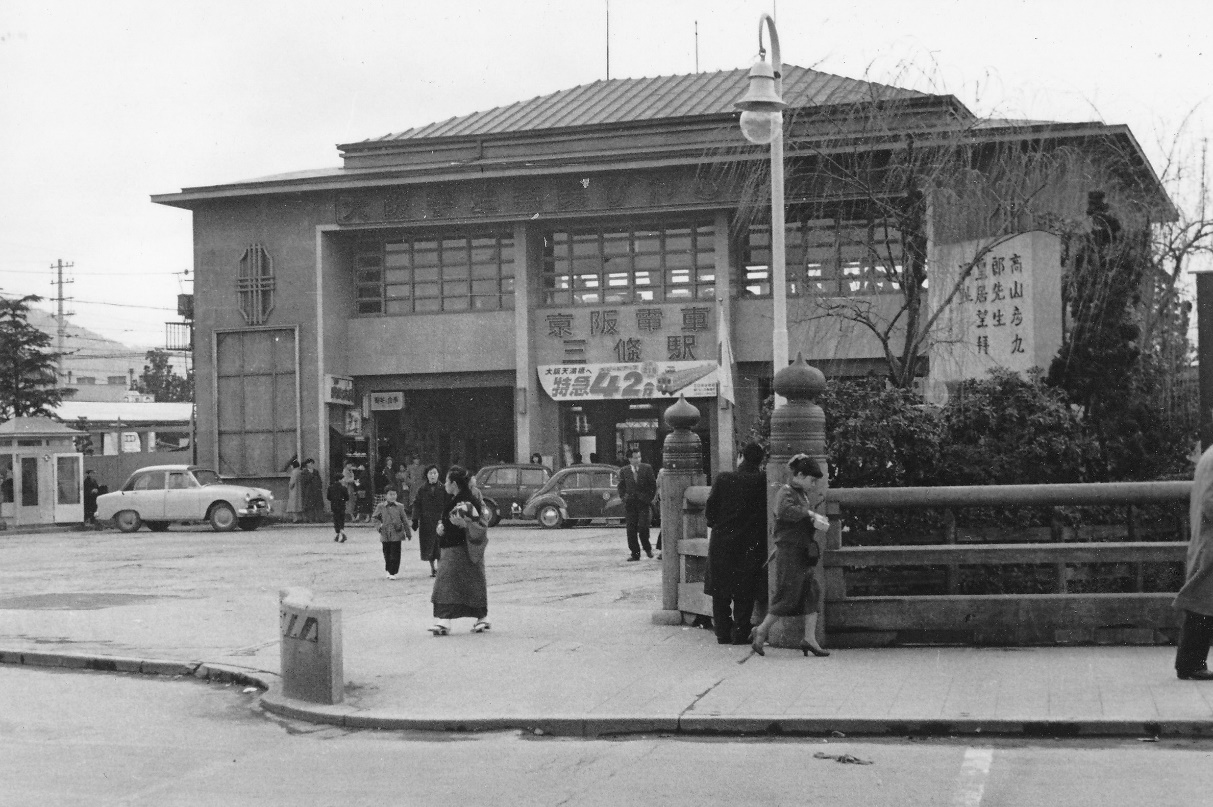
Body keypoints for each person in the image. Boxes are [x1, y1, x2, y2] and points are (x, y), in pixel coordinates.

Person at [750, 453, 832, 658]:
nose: (813, 485)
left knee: (811, 592)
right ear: (800, 475)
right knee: (788, 594)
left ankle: (809, 638)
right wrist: (810, 514)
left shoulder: (799, 493)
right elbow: (786, 511)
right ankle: (761, 630)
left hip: (801, 549)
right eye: (811, 480)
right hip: (790, 550)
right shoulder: (785, 492)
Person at [704, 443, 768, 645]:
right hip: (750, 543)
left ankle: (722, 632)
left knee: (720, 590)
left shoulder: (723, 479)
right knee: (744, 589)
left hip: (722, 541)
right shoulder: (762, 481)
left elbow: (710, 512)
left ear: (741, 456)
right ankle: (740, 632)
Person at [429, 465, 490, 635]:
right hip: (452, 547)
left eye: (447, 481)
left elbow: (482, 524)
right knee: (460, 583)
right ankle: (447, 620)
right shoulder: (454, 499)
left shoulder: (471, 500)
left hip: (462, 549)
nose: (445, 484)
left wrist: (467, 525)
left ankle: (474, 618)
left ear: (454, 484)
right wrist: (441, 526)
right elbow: (446, 520)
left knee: (451, 583)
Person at [1174, 444, 1213, 680]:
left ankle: (1190, 663)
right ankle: (1190, 664)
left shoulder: (1208, 456)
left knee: (1202, 602)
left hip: (1205, 538)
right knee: (1202, 602)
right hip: (1211, 541)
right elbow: (1210, 503)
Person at [617, 448, 656, 561]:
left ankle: (647, 548)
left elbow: (652, 486)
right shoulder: (624, 470)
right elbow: (621, 486)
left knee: (644, 528)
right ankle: (635, 553)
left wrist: (648, 499)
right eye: (635, 457)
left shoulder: (647, 468)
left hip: (643, 503)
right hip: (630, 504)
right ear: (629, 459)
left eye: (639, 457)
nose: (638, 459)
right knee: (631, 530)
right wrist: (624, 498)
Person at [411, 464, 445, 577]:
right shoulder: (422, 489)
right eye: (430, 473)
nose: (433, 475)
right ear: (427, 475)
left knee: (440, 545)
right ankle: (432, 568)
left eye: (435, 473)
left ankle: (440, 568)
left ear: (438, 475)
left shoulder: (444, 488)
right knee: (429, 546)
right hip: (426, 522)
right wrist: (415, 519)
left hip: (440, 521)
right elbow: (416, 504)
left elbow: (448, 503)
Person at [372, 488, 411, 579]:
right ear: (386, 496)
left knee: (395, 553)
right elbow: (374, 518)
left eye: (394, 494)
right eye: (390, 494)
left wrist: (408, 533)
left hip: (397, 533)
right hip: (385, 533)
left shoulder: (400, 506)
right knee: (387, 552)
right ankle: (388, 570)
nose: (393, 496)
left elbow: (405, 520)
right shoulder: (381, 506)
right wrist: (379, 527)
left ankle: (393, 571)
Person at [327, 472, 350, 543]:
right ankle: (342, 533)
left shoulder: (330, 487)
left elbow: (328, 497)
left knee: (336, 520)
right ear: (340, 480)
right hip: (342, 506)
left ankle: (337, 535)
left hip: (334, 506)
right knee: (341, 520)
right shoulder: (344, 488)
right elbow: (347, 498)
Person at [285, 458, 303, 523]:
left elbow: (292, 482)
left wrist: (290, 486)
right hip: (300, 490)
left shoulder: (294, 472)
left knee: (294, 505)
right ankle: (300, 518)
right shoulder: (301, 471)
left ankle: (295, 519)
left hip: (294, 490)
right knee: (299, 504)